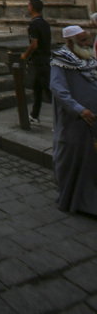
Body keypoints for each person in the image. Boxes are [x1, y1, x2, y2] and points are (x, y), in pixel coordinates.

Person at [50, 25, 97, 215]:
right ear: (69, 42)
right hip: (74, 122)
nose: (87, 43)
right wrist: (79, 110)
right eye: (82, 40)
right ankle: (71, 199)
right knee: (71, 158)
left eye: (87, 39)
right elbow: (58, 90)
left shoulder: (88, 58)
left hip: (92, 122)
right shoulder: (60, 62)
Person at [20, 0, 52, 124]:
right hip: (45, 57)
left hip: (39, 60)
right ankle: (34, 114)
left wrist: (25, 55)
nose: (28, 8)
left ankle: (64, 116)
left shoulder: (33, 23)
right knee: (37, 88)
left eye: (28, 6)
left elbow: (34, 44)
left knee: (49, 90)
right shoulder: (44, 23)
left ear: (32, 7)